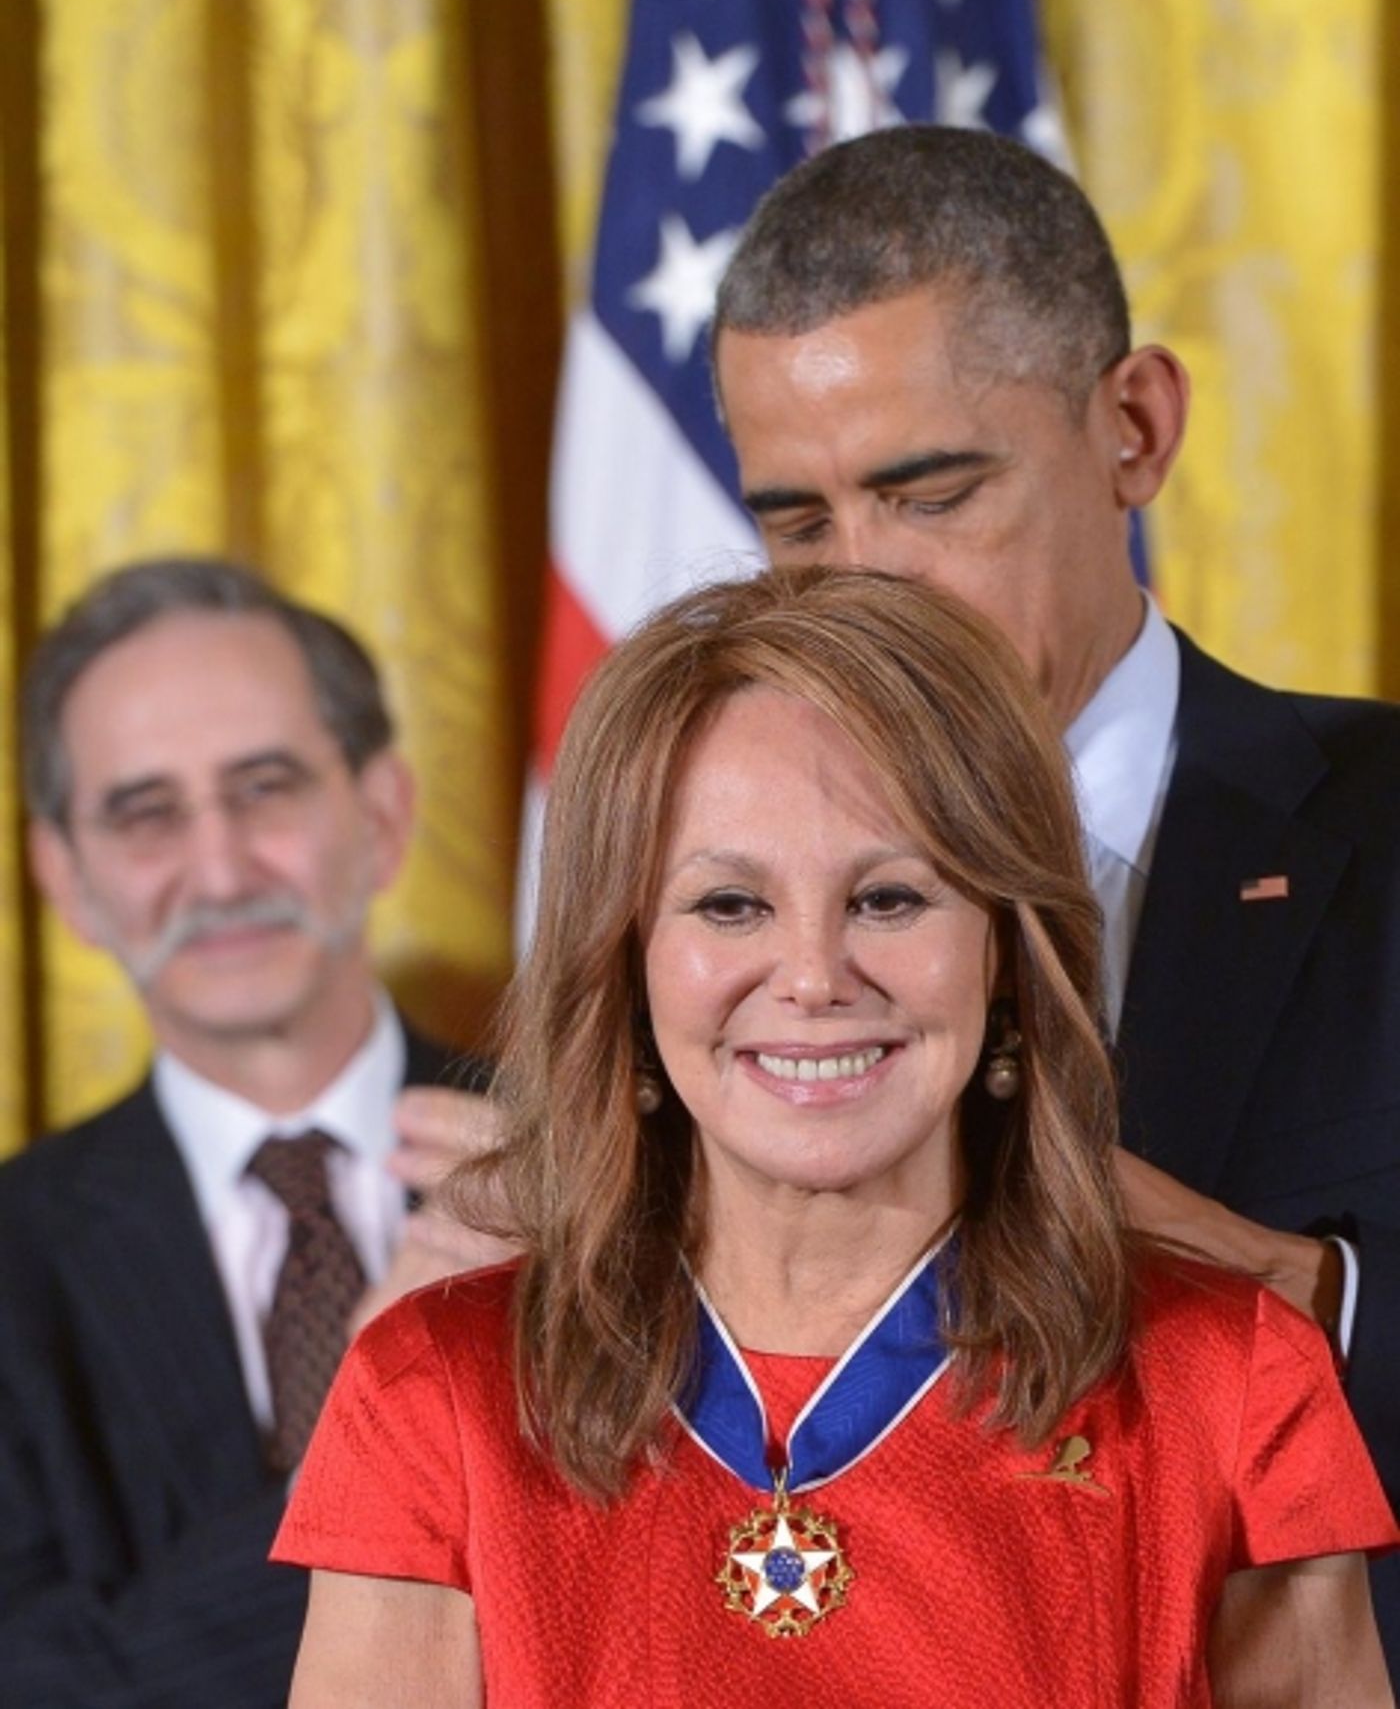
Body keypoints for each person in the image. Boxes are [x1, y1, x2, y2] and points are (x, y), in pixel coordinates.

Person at [275, 569, 1396, 1708]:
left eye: (889, 899)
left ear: (1006, 952)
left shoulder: (1233, 1380)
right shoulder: (433, 1391)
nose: (812, 977)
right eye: (729, 905)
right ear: (624, 961)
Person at [709, 123, 1400, 1665]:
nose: (863, 588)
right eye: (799, 523)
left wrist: (1288, 1288)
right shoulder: (696, 920)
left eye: (931, 494)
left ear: (1133, 429)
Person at [0, 558, 498, 1709]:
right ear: (64, 876)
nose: (220, 871)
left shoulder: (585, 1160)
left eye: (265, 788)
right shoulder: (12, 1259)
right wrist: (362, 1457)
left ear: (382, 816)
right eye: (146, 815)